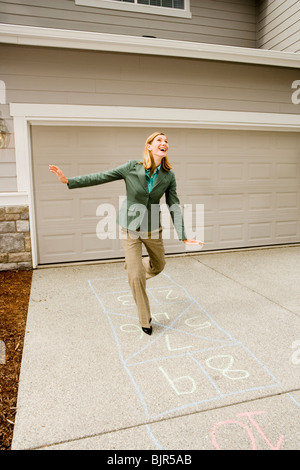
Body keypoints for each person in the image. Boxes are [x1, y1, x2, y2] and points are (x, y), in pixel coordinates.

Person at [49, 132, 203, 335]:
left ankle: (134, 269)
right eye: (159, 140)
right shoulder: (132, 167)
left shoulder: (168, 176)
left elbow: (173, 203)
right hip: (129, 228)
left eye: (166, 141)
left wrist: (183, 234)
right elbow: (101, 176)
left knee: (159, 265)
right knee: (136, 277)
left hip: (152, 229)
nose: (164, 143)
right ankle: (144, 319)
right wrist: (68, 181)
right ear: (149, 146)